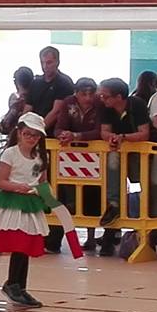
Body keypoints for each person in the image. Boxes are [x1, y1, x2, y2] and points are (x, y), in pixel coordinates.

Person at [0, 112, 49, 308]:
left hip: (30, 203)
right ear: (19, 133)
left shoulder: (40, 157)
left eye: (36, 135)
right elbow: (1, 181)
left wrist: (46, 195)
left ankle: (19, 286)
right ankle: (13, 284)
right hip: (13, 202)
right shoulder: (10, 153)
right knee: (19, 244)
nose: (32, 139)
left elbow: (42, 182)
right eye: (28, 134)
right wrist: (18, 187)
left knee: (26, 246)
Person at [97, 77, 157, 256]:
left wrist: (122, 137)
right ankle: (114, 205)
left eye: (105, 96)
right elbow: (104, 131)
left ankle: (151, 238)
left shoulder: (137, 105)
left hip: (148, 154)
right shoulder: (106, 108)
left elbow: (144, 133)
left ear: (119, 97)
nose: (102, 98)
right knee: (113, 163)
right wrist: (112, 138)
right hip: (122, 151)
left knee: (151, 193)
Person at [53, 77, 103, 251]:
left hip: (95, 158)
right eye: (84, 94)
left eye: (91, 93)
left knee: (93, 194)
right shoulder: (68, 103)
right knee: (66, 195)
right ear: (76, 94)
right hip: (69, 158)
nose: (88, 98)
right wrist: (63, 135)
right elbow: (58, 128)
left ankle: (91, 236)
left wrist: (77, 136)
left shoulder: (100, 104)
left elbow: (101, 131)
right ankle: (58, 238)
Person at [25, 46, 74, 135]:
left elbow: (56, 112)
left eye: (49, 62)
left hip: (52, 133)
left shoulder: (64, 82)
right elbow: (28, 108)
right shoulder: (35, 82)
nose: (45, 66)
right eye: (42, 62)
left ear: (57, 62)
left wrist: (37, 131)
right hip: (33, 130)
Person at [0, 66, 35, 136]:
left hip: (18, 137)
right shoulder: (38, 97)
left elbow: (5, 127)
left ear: (16, 83)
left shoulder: (16, 100)